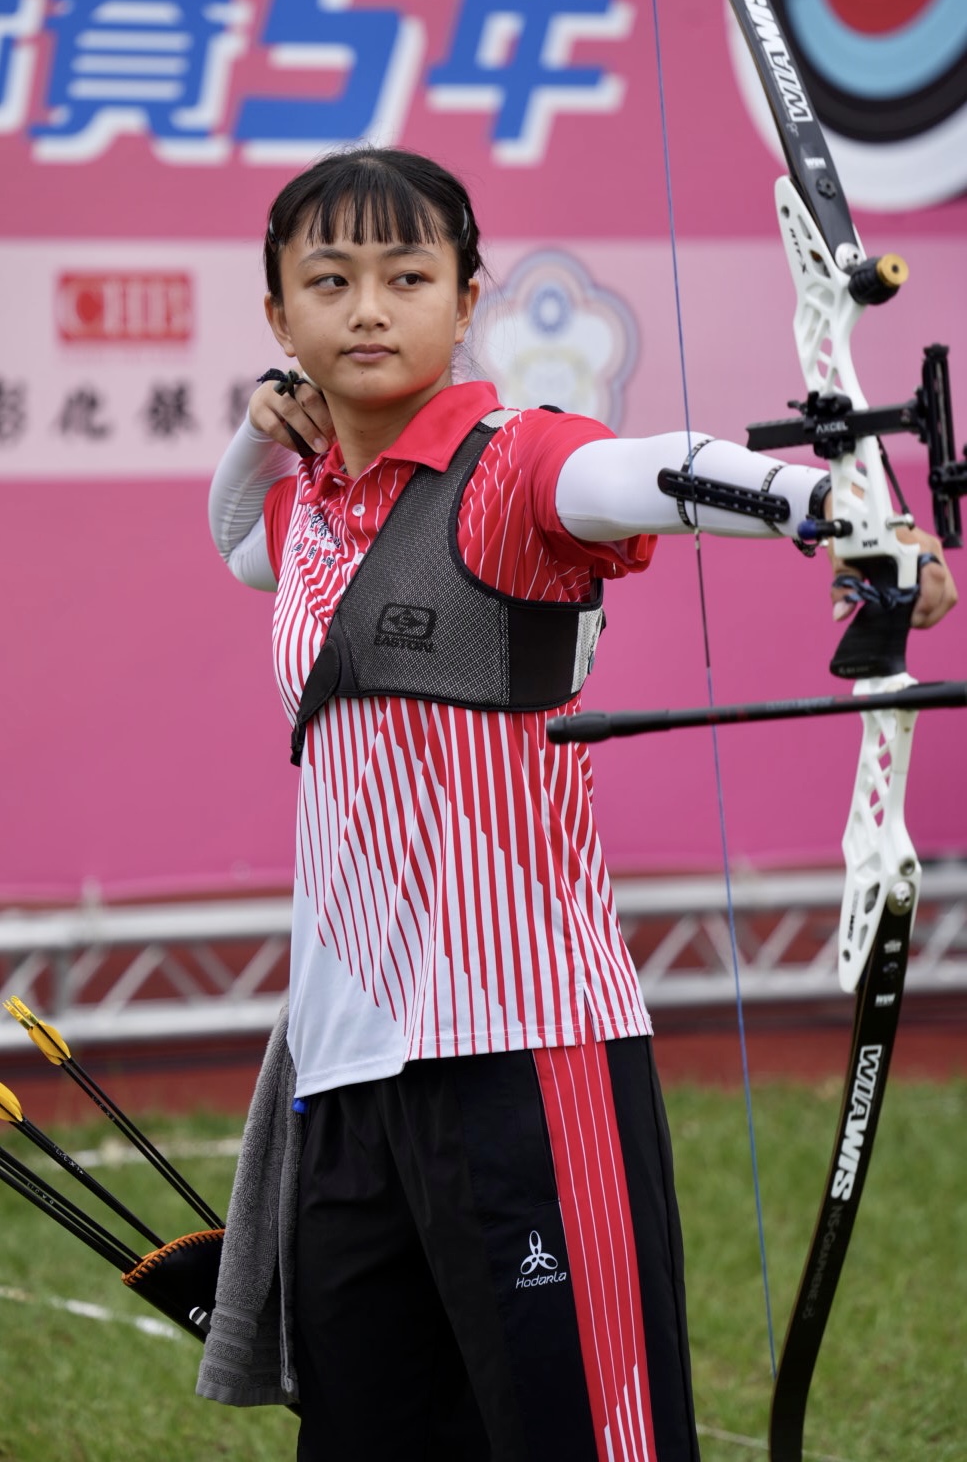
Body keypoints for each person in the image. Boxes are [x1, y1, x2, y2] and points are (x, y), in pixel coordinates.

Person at [206, 146, 956, 1462]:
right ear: (280, 318)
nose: (368, 308)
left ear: (469, 296)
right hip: (342, 1082)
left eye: (407, 275)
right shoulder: (310, 515)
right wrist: (256, 424)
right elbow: (230, 537)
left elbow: (645, 472)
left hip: (525, 1064)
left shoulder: (513, 468)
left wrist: (826, 504)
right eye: (329, 282)